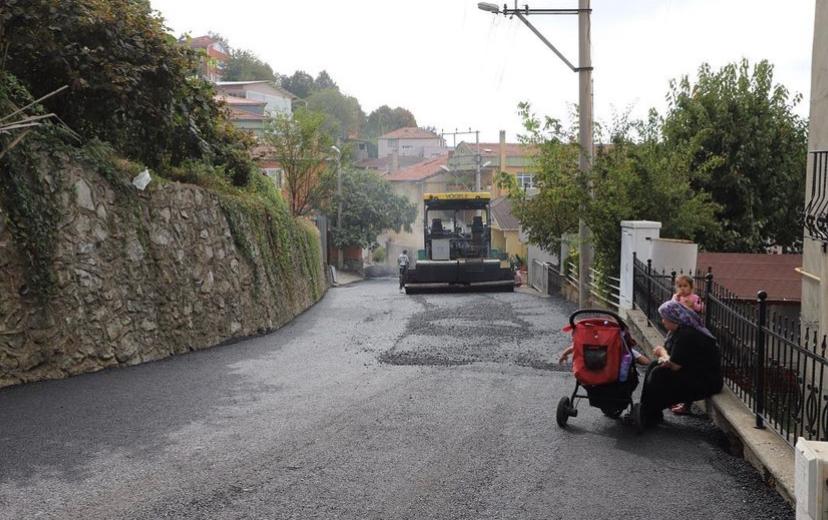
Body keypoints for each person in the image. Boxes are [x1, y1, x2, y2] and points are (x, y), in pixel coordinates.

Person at [640, 300, 723, 426]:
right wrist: (663, 356)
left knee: (658, 373)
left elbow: (674, 365)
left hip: (707, 381)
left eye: (664, 318)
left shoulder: (686, 335)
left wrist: (662, 352)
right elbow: (674, 359)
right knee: (654, 365)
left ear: (672, 319)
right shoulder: (678, 332)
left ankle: (649, 412)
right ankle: (647, 410)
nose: (662, 321)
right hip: (694, 373)